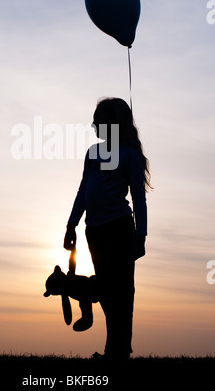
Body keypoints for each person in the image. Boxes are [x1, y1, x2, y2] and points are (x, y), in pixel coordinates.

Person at [63, 97, 152, 361]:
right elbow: (83, 191)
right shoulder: (92, 153)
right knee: (106, 292)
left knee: (122, 292)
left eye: (98, 121)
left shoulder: (129, 155)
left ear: (113, 123)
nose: (93, 126)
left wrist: (141, 235)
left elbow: (139, 199)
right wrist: (71, 224)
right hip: (95, 231)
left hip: (120, 230)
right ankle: (115, 349)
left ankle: (118, 350)